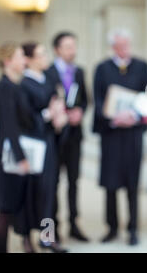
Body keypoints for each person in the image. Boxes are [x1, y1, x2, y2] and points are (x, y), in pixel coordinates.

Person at [93, 28, 147, 245]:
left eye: (127, 44)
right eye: (121, 45)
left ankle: (133, 228)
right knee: (110, 183)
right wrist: (112, 117)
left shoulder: (143, 67)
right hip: (111, 133)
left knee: (132, 183)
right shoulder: (102, 68)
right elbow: (98, 99)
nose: (125, 48)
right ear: (113, 47)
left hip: (132, 134)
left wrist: (135, 116)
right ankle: (111, 227)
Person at [20, 42, 68, 253]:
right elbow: (24, 116)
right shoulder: (23, 84)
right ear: (28, 59)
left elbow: (56, 101)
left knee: (48, 191)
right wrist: (48, 114)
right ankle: (25, 238)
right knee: (28, 191)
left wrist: (58, 114)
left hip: (48, 142)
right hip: (30, 143)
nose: (44, 57)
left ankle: (47, 237)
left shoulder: (48, 79)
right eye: (40, 54)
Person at [45, 32, 89, 242]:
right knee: (52, 183)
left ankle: (74, 224)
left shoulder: (79, 72)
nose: (73, 50)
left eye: (74, 46)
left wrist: (79, 111)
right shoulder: (48, 72)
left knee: (74, 182)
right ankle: (52, 229)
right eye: (68, 47)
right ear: (57, 50)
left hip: (75, 136)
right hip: (54, 138)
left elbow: (85, 99)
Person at [0, 42, 34, 253]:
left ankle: (27, 243)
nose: (24, 60)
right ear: (8, 61)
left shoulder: (15, 86)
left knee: (20, 204)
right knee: (5, 209)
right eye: (20, 56)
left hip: (17, 153)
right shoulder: (4, 88)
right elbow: (9, 126)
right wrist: (21, 158)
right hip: (9, 157)